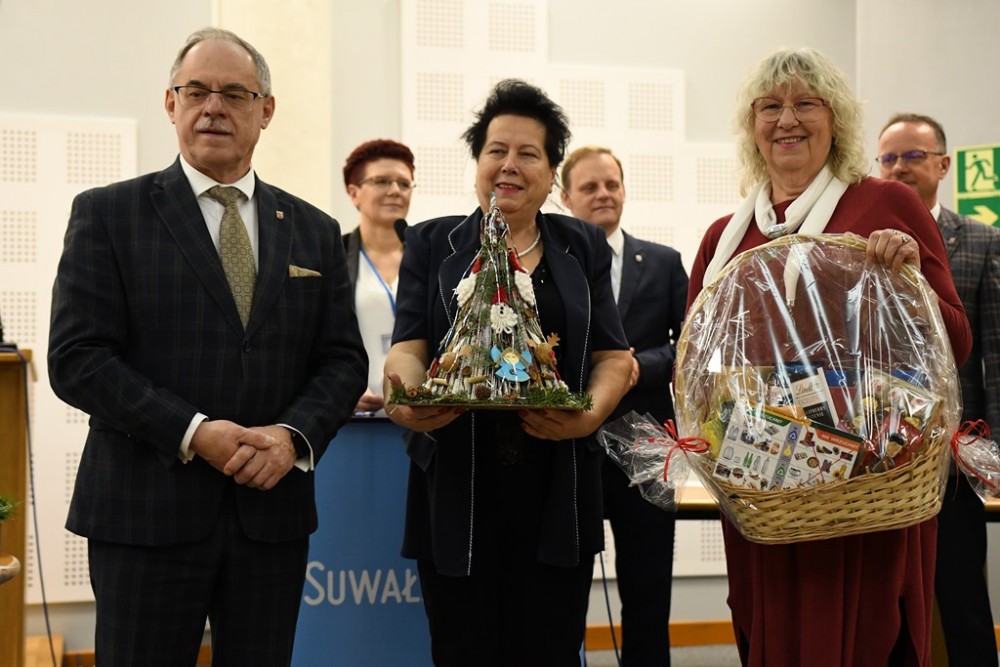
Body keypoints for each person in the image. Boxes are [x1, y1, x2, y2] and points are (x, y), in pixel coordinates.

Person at [47, 28, 368, 667]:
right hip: (144, 514)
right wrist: (194, 431)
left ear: (265, 110)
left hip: (270, 517)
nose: (213, 107)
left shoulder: (314, 229)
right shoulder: (109, 215)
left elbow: (342, 360)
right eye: (196, 91)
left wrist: (291, 438)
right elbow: (78, 358)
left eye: (234, 94)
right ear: (171, 103)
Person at [686, 48, 971, 667]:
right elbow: (697, 375)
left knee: (870, 638)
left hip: (868, 493)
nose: (787, 119)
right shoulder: (723, 239)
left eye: (805, 103)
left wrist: (910, 280)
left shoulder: (888, 206)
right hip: (767, 497)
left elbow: (954, 340)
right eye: (770, 106)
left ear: (835, 119)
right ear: (752, 125)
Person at [383, 79, 632, 666]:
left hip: (557, 484)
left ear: (550, 174)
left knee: (549, 649)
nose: (509, 165)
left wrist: (589, 416)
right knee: (462, 648)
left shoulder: (583, 246)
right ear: (477, 162)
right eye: (496, 150)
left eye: (528, 153)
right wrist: (405, 398)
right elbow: (407, 348)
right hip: (457, 481)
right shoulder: (432, 243)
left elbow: (613, 358)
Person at [878, 113, 1000, 666]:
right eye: (889, 158)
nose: (900, 168)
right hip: (878, 458)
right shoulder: (859, 242)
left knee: (961, 598)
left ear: (944, 165)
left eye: (914, 156)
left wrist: (992, 453)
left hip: (954, 458)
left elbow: (994, 353)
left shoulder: (980, 241)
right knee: (885, 608)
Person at [560, 145, 688, 666]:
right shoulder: (550, 266)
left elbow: (690, 346)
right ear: (566, 198)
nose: (603, 194)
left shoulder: (663, 261)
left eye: (611, 184)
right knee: (563, 592)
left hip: (646, 445)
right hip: (569, 445)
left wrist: (637, 366)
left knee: (648, 588)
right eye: (589, 187)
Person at [342, 139, 416, 416]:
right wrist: (339, 390)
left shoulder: (429, 259)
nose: (395, 190)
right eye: (382, 181)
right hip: (355, 416)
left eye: (404, 184)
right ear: (354, 193)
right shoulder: (334, 256)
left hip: (420, 416)